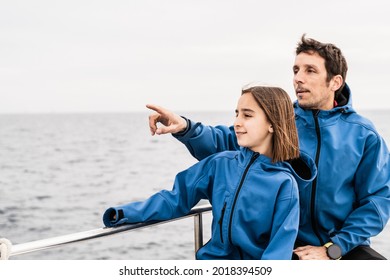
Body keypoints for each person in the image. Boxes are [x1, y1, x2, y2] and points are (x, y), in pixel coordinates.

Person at [146, 35, 390, 260]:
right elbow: (227, 141)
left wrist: (332, 249)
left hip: (340, 247)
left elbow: (378, 201)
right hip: (282, 245)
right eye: (296, 70)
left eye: (310, 70)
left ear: (335, 81)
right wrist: (185, 127)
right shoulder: (282, 121)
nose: (298, 78)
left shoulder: (363, 135)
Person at [103, 86, 317, 260]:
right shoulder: (219, 164)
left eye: (248, 115)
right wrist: (124, 214)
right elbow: (175, 199)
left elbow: (277, 253)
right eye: (237, 113)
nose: (237, 122)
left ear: (272, 124)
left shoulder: (284, 184)